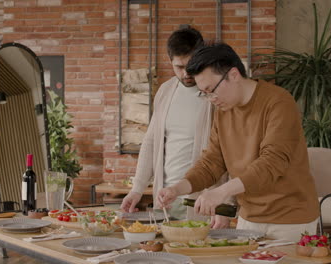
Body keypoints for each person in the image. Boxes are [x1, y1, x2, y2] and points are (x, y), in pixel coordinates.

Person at [156, 42, 320, 241]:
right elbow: (211, 163)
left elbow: (273, 161)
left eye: (211, 90)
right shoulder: (223, 112)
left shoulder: (278, 102)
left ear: (233, 75)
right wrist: (177, 188)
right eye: (204, 94)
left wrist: (221, 192)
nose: (211, 98)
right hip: (248, 218)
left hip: (291, 221)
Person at [120, 27, 231, 228]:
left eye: (190, 65)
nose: (186, 73)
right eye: (178, 67)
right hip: (166, 199)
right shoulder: (165, 91)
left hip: (204, 201)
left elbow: (232, 150)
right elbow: (151, 143)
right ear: (170, 60)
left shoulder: (216, 93)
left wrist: (225, 203)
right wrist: (137, 189)